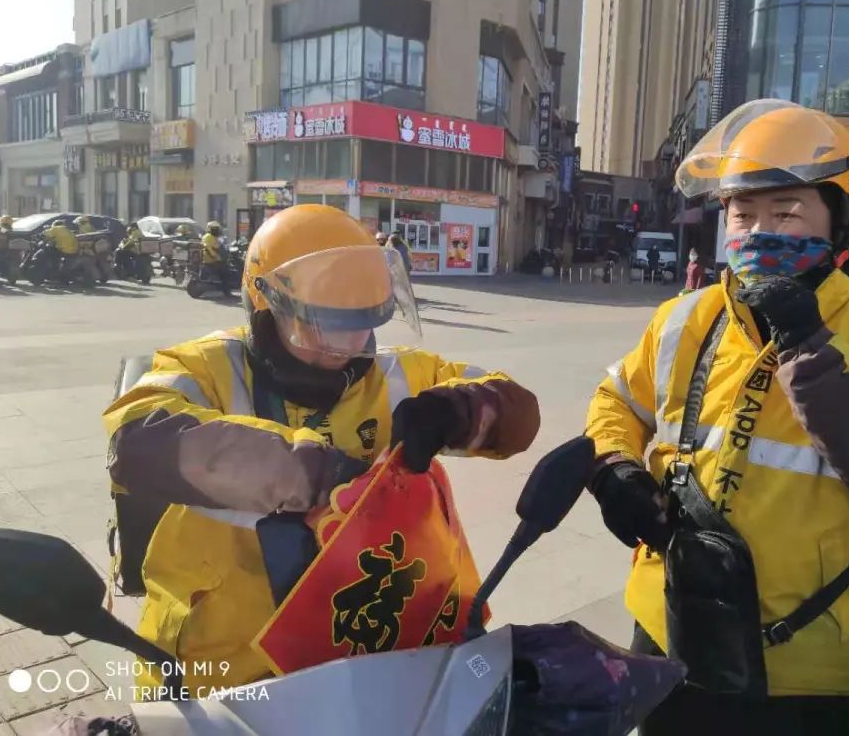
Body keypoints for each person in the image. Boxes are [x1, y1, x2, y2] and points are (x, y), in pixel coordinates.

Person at [585, 100, 849, 736]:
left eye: (787, 212)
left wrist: (813, 353)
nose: (759, 231)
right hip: (670, 629)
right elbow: (617, 402)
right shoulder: (685, 317)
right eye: (742, 213)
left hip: (802, 673)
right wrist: (614, 468)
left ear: (842, 219)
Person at [102, 204, 540, 694]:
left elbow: (518, 413)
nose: (350, 343)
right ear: (266, 304)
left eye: (363, 322)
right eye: (326, 324)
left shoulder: (398, 374)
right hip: (221, 657)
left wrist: (462, 410)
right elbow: (137, 438)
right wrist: (314, 475)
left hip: (363, 645)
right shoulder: (205, 368)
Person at [202, 220, 232, 296]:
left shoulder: (207, 236)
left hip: (208, 259)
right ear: (210, 229)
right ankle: (226, 292)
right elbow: (212, 249)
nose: (216, 230)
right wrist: (218, 258)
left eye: (216, 228)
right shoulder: (210, 237)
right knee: (226, 273)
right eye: (214, 228)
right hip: (212, 260)